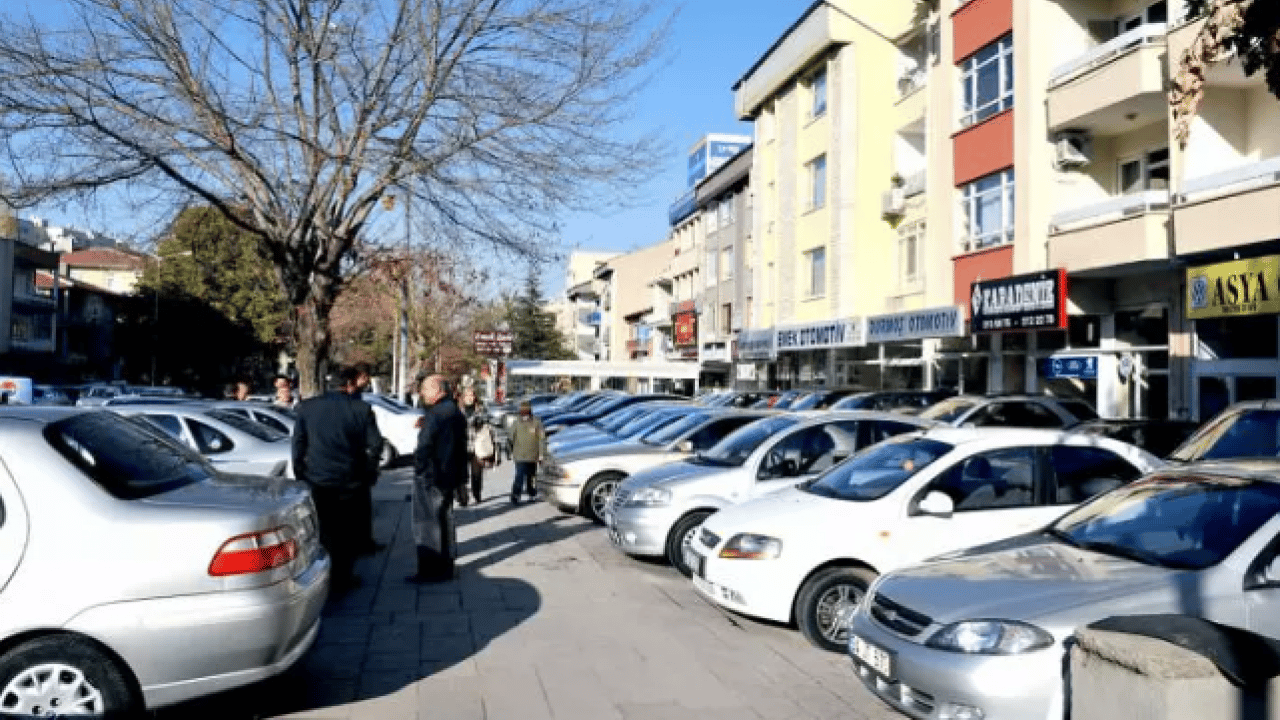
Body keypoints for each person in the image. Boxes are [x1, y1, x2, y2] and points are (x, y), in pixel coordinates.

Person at [292, 366, 383, 591]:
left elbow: (298, 443)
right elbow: (375, 444)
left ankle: (324, 575)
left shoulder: (307, 408)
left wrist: (300, 472)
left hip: (318, 478)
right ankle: (343, 576)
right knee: (346, 529)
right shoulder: (361, 409)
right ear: (350, 384)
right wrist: (369, 470)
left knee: (324, 529)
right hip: (350, 479)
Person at [408, 374, 468, 584]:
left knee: (426, 523)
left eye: (425, 389)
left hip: (431, 476)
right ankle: (447, 565)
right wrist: (462, 479)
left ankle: (430, 570)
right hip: (449, 475)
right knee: (445, 519)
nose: (422, 393)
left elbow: (424, 447)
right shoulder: (455, 412)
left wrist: (419, 468)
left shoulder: (435, 414)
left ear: (437, 390)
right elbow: (461, 449)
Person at [458, 386, 495, 506]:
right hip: (462, 447)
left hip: (477, 446)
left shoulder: (480, 410)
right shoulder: (458, 411)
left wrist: (481, 421)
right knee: (461, 475)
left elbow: (489, 422)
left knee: (477, 474)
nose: (470, 397)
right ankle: (463, 498)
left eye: (472, 395)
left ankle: (477, 493)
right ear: (463, 397)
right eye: (467, 395)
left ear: (475, 397)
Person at [508, 400, 546, 504]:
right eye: (523, 411)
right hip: (520, 456)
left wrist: (541, 455)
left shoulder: (536, 422)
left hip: (533, 456)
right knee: (519, 477)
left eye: (526, 410)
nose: (524, 413)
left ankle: (532, 493)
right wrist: (510, 451)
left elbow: (542, 439)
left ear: (530, 411)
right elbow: (510, 438)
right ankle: (516, 495)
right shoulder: (516, 422)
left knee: (532, 477)